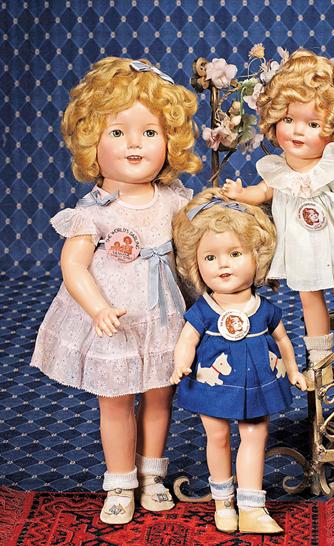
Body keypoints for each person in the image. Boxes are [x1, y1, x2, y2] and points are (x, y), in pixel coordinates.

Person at [31, 57, 201, 524]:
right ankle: (121, 480)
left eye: (150, 132)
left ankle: (152, 473)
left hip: (165, 317)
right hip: (117, 321)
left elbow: (195, 249)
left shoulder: (174, 200)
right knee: (117, 400)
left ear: (170, 140)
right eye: (119, 132)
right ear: (92, 141)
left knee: (160, 396)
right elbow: (73, 265)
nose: (134, 144)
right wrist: (98, 308)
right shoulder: (94, 211)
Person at [223, 49, 334, 391]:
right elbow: (265, 191)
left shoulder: (331, 164)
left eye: (313, 124)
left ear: (333, 129)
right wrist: (241, 193)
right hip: (302, 248)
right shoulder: (280, 167)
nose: (297, 131)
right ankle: (321, 363)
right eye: (289, 120)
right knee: (309, 299)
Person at [170, 188, 307, 535]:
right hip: (213, 384)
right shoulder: (204, 310)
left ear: (257, 257)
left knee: (255, 435)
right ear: (195, 264)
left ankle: (251, 506)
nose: (223, 264)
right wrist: (180, 364)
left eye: (235, 253)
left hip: (257, 382)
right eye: (210, 257)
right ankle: (222, 501)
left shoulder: (264, 309)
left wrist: (293, 369)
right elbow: (187, 339)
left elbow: (282, 339)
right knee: (217, 435)